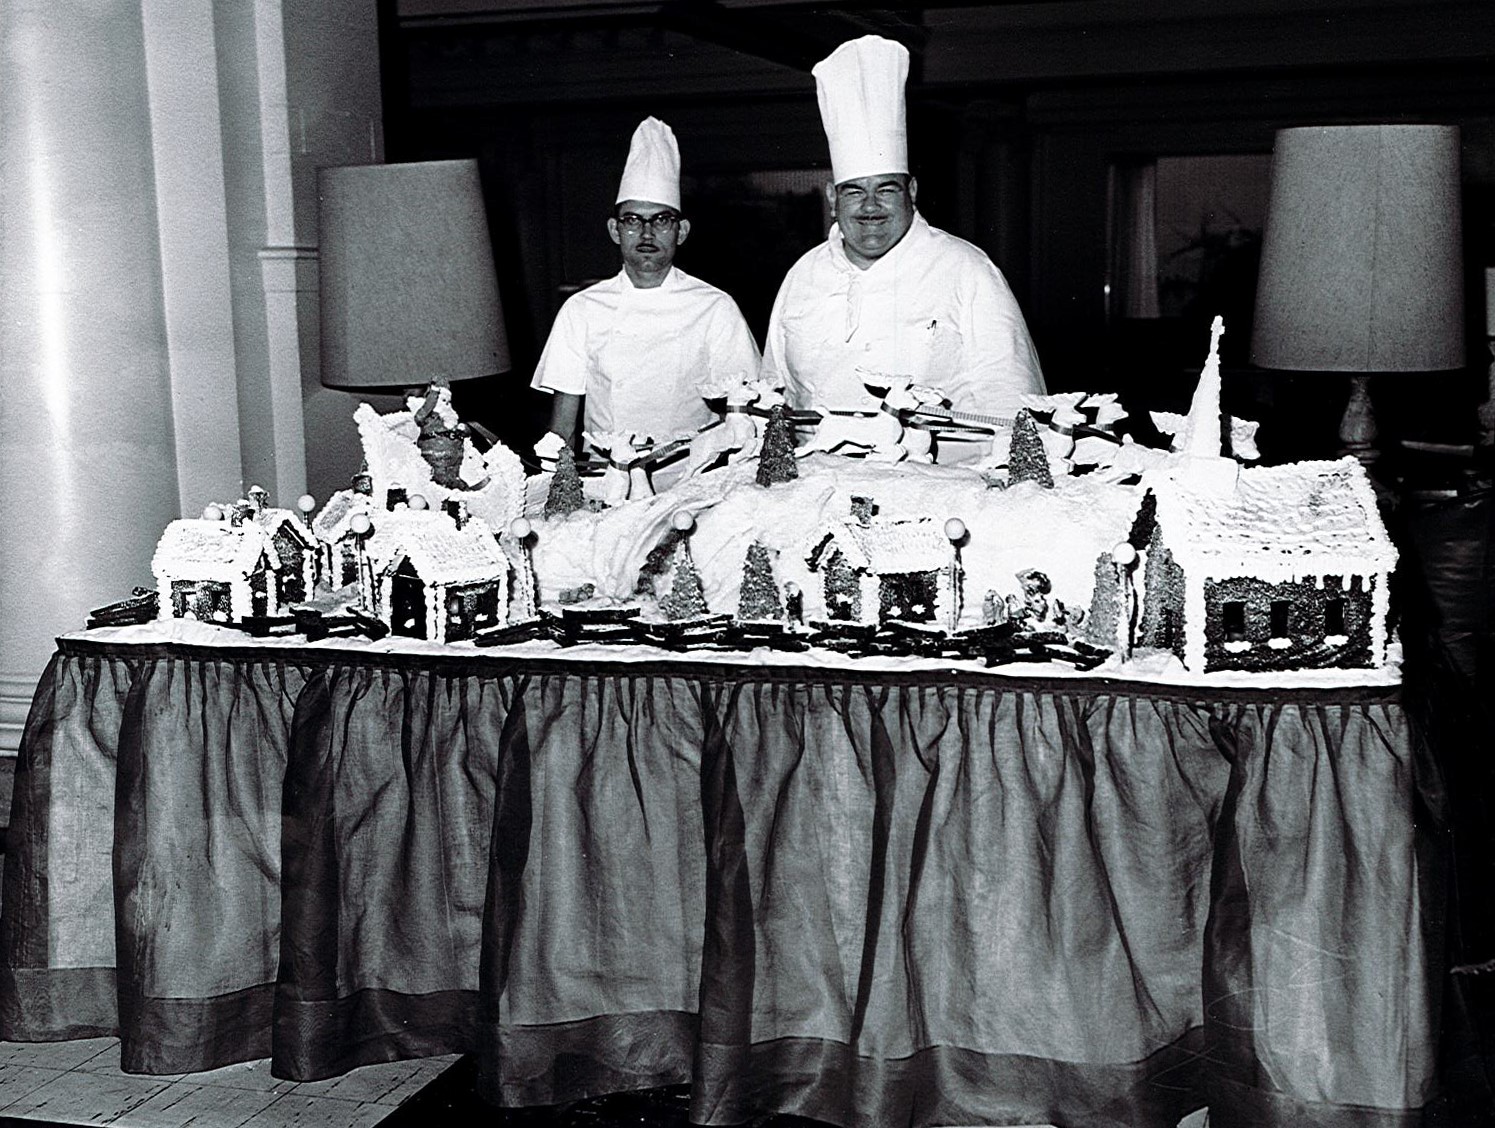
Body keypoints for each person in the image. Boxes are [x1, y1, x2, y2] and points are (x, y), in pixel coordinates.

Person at [761, 36, 1045, 452]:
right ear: (831, 198)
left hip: (940, 491)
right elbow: (774, 397)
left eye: (887, 190)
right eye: (854, 191)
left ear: (911, 191)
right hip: (817, 489)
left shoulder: (967, 270)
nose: (870, 206)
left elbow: (1013, 402)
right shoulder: (803, 275)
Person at [530, 117, 761, 466]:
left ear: (681, 231)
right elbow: (562, 428)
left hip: (693, 482)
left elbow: (744, 418)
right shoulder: (581, 310)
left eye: (662, 220)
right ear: (614, 230)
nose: (647, 233)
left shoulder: (716, 308)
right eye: (633, 220)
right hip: (608, 481)